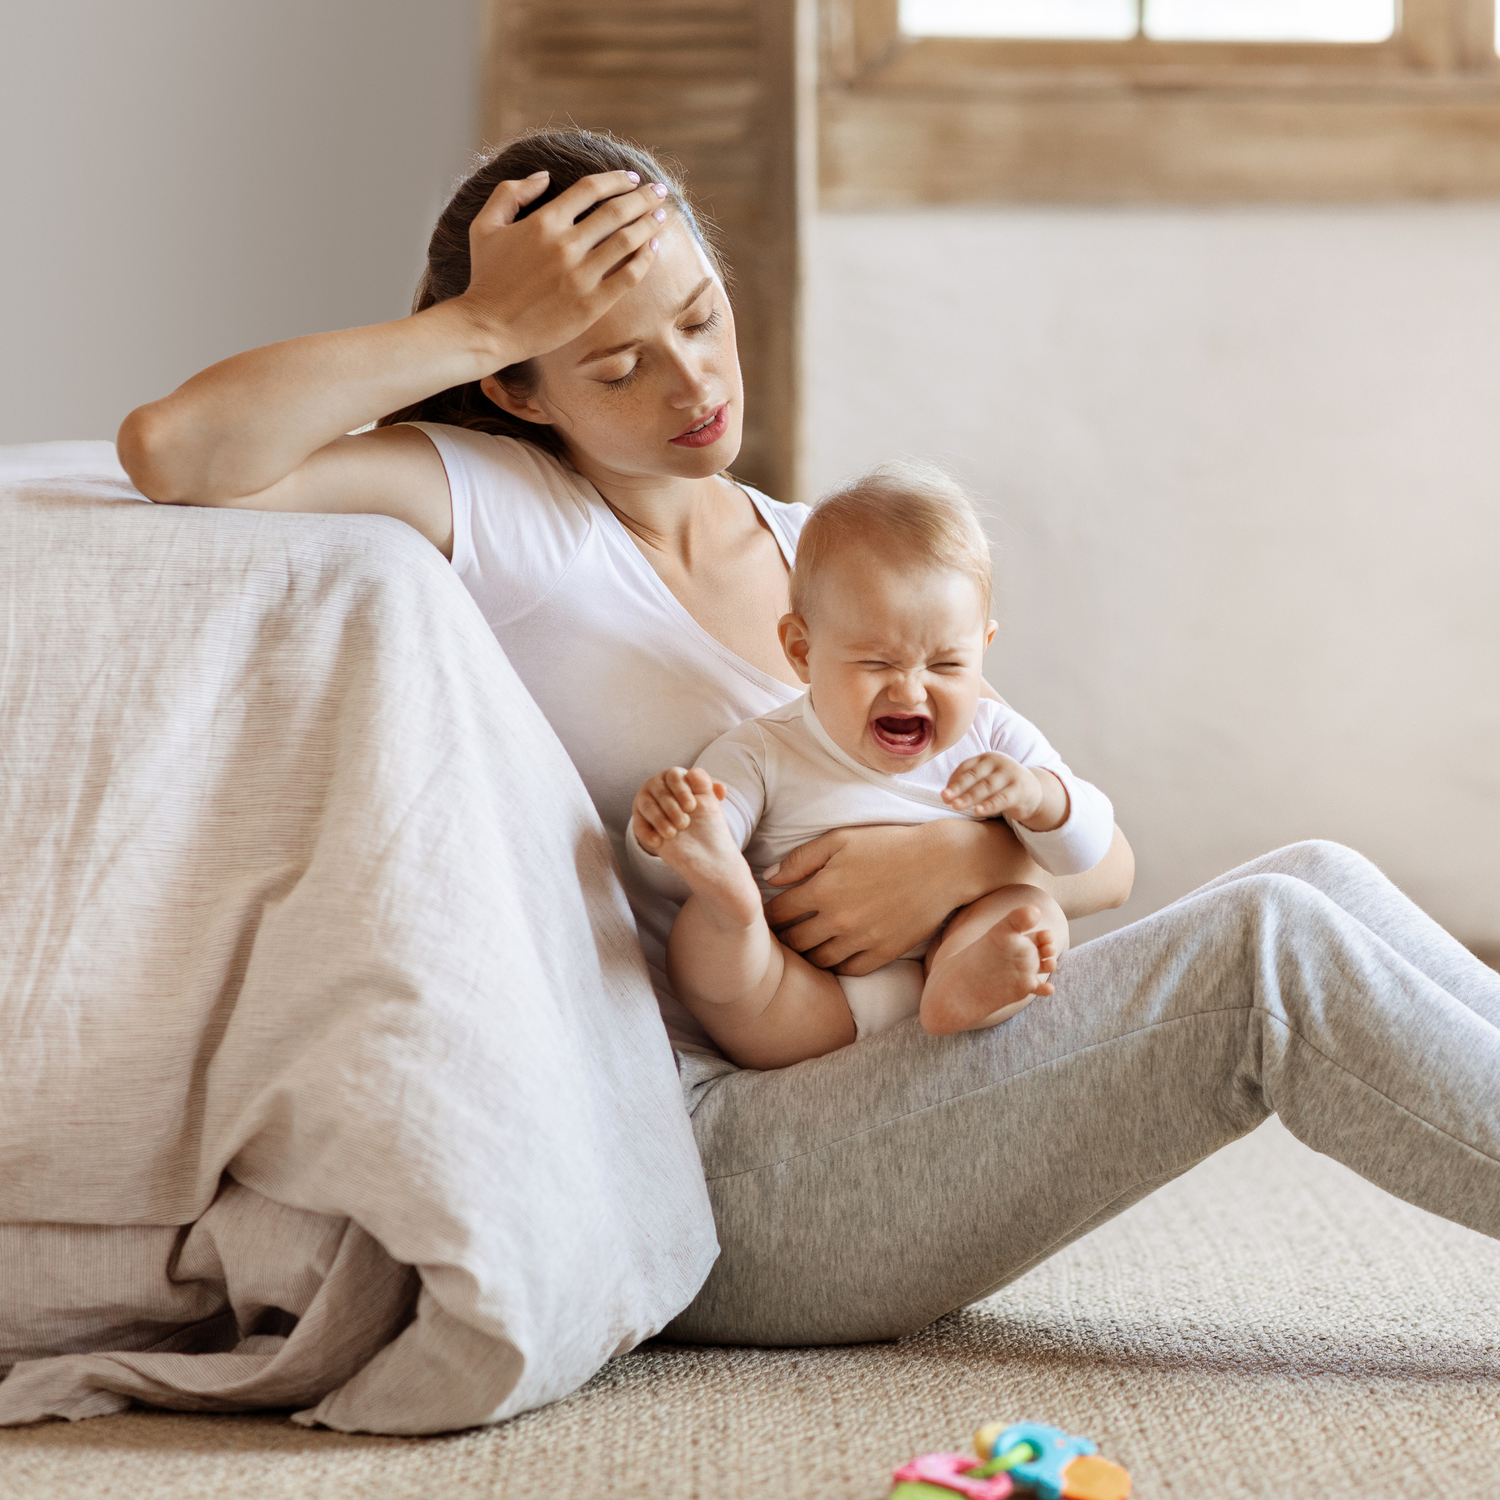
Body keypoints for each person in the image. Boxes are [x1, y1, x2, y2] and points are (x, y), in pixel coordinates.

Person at [119, 127, 1500, 1349]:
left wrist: (959, 863)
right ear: (530, 392)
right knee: (1270, 955)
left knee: (1311, 880)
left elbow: (1101, 868)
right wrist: (481, 327)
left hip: (903, 1062)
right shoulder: (497, 508)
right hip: (733, 1173)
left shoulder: (809, 551)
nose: (693, 381)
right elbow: (178, 452)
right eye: (616, 360)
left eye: (703, 320)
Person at [628, 463, 1115, 1068]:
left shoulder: (996, 738)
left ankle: (968, 983)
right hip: (810, 995)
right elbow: (677, 870)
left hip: (952, 951)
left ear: (983, 649)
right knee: (705, 935)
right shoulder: (764, 749)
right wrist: (686, 834)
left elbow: (1088, 850)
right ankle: (735, 907)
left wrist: (1041, 797)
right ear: (802, 652)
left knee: (1030, 914)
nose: (911, 692)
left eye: (945, 667)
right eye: (877, 663)